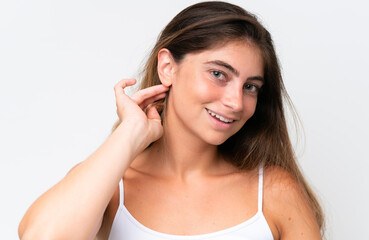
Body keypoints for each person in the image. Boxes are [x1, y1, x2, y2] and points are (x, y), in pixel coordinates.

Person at [18, 1, 324, 239]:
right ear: (168, 67)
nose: (235, 101)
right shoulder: (111, 185)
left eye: (250, 87)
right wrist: (130, 133)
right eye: (218, 74)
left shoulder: (274, 192)